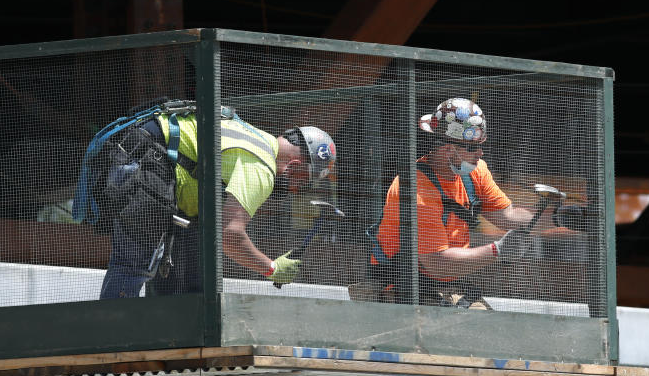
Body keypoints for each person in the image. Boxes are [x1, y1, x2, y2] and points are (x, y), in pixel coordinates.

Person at [97, 105, 336, 299]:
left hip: (140, 154)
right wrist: (271, 268)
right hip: (148, 163)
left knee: (178, 267)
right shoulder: (261, 167)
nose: (295, 190)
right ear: (294, 168)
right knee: (135, 265)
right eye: (302, 182)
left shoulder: (255, 137)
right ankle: (111, 346)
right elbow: (230, 235)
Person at [356, 97, 554, 308]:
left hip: (446, 283)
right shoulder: (415, 189)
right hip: (400, 287)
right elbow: (437, 262)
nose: (480, 153)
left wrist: (559, 218)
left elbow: (509, 217)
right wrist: (497, 250)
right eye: (472, 148)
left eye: (480, 146)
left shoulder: (475, 172)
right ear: (448, 149)